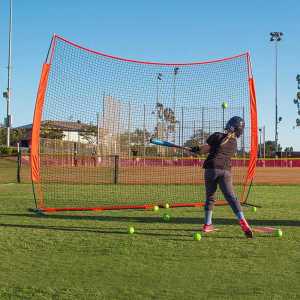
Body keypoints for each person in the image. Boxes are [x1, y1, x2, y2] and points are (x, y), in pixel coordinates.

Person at [191, 116, 253, 238]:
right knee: (232, 198)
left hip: (211, 169)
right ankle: (243, 221)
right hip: (225, 172)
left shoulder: (217, 136)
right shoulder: (234, 143)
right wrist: (198, 149)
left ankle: (207, 224)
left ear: (229, 125)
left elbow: (203, 150)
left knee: (210, 197)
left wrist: (196, 149)